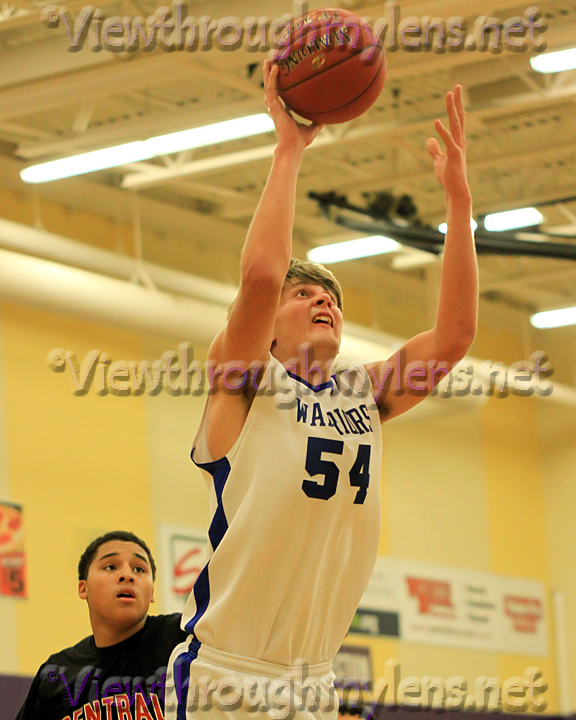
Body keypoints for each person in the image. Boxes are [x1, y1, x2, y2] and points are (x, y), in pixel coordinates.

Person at [165, 59, 478, 720]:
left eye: (331, 297)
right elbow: (257, 279)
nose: (323, 303)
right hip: (226, 673)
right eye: (303, 294)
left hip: (313, 682)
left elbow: (453, 336)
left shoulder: (364, 394)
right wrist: (289, 150)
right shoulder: (244, 383)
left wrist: (458, 203)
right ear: (268, 326)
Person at [16, 530, 187, 720]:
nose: (127, 575)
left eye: (139, 569)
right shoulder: (57, 673)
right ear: (83, 588)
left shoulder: (183, 636)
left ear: (152, 592)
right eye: (111, 566)